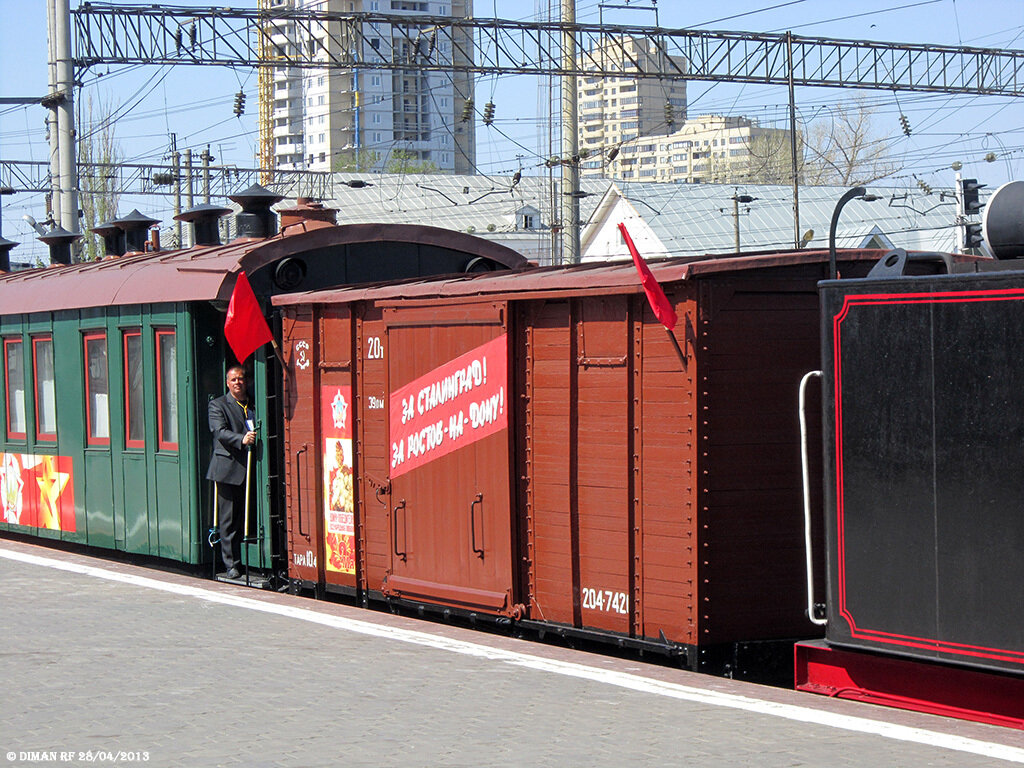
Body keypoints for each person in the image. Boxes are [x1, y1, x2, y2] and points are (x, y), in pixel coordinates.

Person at [207, 365, 257, 579]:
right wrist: (241, 439)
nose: (238, 382)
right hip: (228, 469)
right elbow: (219, 431)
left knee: (245, 516)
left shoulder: (253, 404)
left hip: (251, 467)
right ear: (228, 383)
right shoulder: (218, 405)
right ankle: (231, 564)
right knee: (228, 519)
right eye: (234, 379)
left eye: (241, 378)